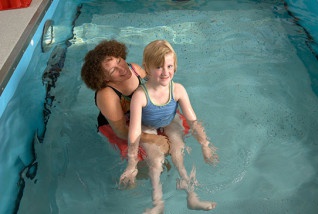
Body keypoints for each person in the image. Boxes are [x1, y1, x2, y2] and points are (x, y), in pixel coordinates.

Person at [119, 40, 218, 213]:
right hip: (147, 126)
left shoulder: (178, 90)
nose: (165, 72)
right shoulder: (140, 96)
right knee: (156, 161)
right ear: (147, 68)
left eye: (170, 66)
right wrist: (131, 163)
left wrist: (205, 145)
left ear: (175, 66)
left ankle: (192, 197)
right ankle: (158, 203)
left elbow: (193, 120)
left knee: (178, 153)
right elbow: (134, 132)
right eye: (159, 67)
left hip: (170, 122)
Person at [81, 40, 181, 170]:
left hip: (140, 114)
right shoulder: (107, 95)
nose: (122, 69)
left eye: (119, 60)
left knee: (175, 142)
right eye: (113, 70)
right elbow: (121, 131)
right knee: (147, 164)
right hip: (120, 126)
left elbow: (154, 84)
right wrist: (152, 139)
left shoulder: (134, 69)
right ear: (105, 79)